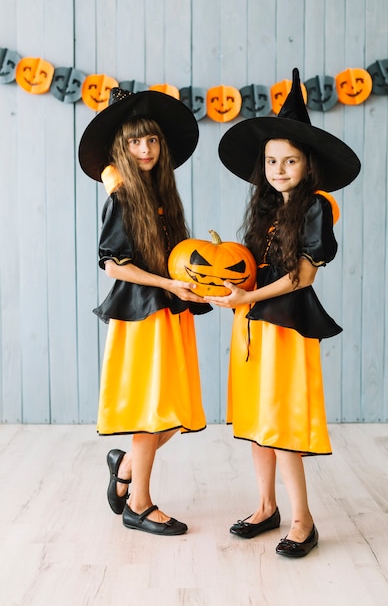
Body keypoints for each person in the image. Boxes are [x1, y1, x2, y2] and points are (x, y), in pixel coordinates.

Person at [205, 68, 360, 557]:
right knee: (256, 421)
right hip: (252, 328)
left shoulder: (316, 207)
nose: (278, 169)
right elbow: (253, 268)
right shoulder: (265, 210)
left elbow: (302, 276)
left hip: (286, 328)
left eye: (289, 161)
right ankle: (266, 507)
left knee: (284, 425)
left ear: (307, 165)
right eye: (272, 161)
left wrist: (246, 299)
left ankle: (303, 520)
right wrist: (222, 282)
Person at [78, 87, 211, 536]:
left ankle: (126, 464)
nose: (145, 149)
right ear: (122, 147)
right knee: (151, 409)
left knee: (176, 410)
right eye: (135, 142)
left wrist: (193, 284)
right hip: (141, 316)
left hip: (172, 311)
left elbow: (175, 258)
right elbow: (114, 265)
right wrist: (165, 284)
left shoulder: (164, 196)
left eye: (152, 140)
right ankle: (139, 504)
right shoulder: (121, 199)